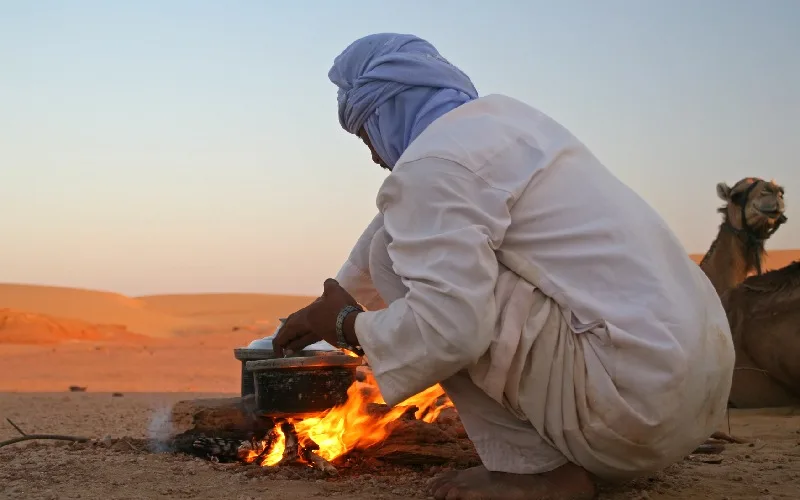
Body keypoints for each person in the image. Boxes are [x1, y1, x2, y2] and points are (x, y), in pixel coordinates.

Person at [273, 33, 734, 500]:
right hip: (693, 394)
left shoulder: (434, 165)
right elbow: (400, 225)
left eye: (365, 134)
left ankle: (534, 472)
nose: (374, 156)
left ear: (384, 111)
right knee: (398, 245)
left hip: (629, 416)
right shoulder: (508, 124)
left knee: (407, 270)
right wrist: (320, 311)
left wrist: (345, 324)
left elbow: (448, 329)